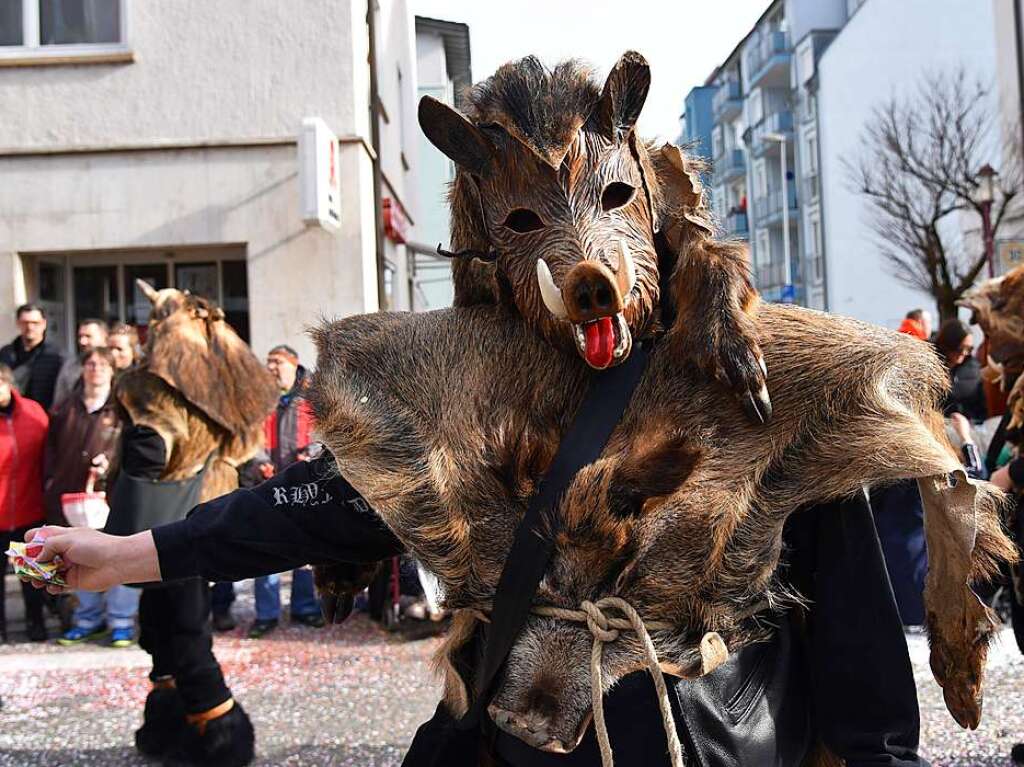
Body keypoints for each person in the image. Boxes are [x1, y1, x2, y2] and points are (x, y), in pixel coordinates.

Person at [27, 451, 930, 766]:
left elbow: (848, 603)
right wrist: (129, 555)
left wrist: (884, 752)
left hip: (719, 741)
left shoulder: (761, 384)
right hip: (524, 738)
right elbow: (309, 507)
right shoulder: (476, 393)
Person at [44, 347, 137, 648]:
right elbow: (51, 451)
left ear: (112, 370)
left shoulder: (123, 408)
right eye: (90, 364)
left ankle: (121, 620)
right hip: (73, 494)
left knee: (119, 552)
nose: (95, 369)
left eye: (102, 364)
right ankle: (88, 618)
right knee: (78, 553)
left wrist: (112, 464)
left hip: (113, 494)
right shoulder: (65, 408)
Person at [240, 345, 324, 639]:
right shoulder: (261, 397)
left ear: (294, 363)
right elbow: (251, 439)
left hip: (304, 484)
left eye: (277, 362)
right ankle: (266, 614)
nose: (272, 368)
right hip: (266, 484)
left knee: (306, 550)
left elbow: (325, 434)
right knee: (265, 550)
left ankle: (305, 606)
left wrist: (311, 455)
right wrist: (260, 462)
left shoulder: (314, 394)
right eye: (269, 362)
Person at [0, 363, 49, 642]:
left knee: (30, 575)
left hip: (29, 508)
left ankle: (36, 622)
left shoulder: (33, 413)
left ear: (8, 384)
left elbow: (50, 454)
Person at [0, 304, 64, 411]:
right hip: (10, 416)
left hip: (44, 417)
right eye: (25, 323)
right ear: (17, 323)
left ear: (44, 324)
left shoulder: (57, 356)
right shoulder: (5, 354)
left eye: (35, 323)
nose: (30, 327)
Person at [933, 318, 988, 422]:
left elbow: (980, 406)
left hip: (968, 427)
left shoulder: (974, 369)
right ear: (948, 344)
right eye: (960, 348)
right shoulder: (929, 366)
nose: (964, 353)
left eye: (969, 349)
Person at [53, 319, 109, 409]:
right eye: (80, 337)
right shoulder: (70, 366)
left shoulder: (116, 364)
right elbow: (59, 401)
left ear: (104, 338)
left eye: (88, 336)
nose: (82, 341)